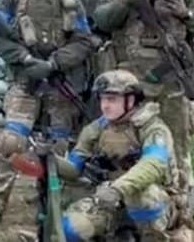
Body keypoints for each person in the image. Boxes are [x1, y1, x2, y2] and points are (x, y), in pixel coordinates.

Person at [94, 0, 194, 197]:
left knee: (177, 146)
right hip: (132, 83)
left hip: (172, 83)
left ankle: (178, 205)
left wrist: (186, 15)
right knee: (126, 144)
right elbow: (103, 21)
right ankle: (126, 200)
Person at [0, 0, 97, 158]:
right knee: (12, 143)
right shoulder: (10, 1)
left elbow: (84, 41)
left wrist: (54, 63)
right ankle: (0, 192)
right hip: (25, 81)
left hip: (62, 82)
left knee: (61, 146)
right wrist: (26, 59)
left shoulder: (70, 4)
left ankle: (55, 191)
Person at [59, 70, 188, 241]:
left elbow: (153, 165)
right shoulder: (95, 129)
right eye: (103, 99)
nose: (105, 105)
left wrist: (118, 189)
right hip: (109, 201)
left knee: (140, 196)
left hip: (158, 201)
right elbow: (74, 168)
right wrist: (49, 159)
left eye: (112, 99)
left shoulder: (153, 128)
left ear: (131, 99)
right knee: (69, 229)